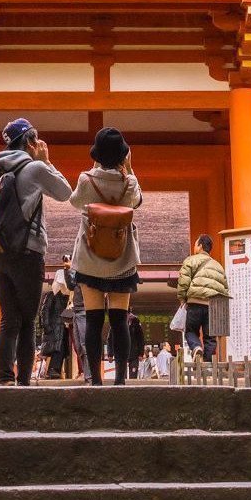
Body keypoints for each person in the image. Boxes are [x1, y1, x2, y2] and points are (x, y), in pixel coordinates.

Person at [0, 118, 72, 384]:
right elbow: (65, 192)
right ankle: (23, 383)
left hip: (0, 253)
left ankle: (4, 378)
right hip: (28, 253)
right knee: (28, 321)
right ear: (31, 142)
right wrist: (46, 161)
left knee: (8, 320)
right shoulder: (33, 169)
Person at [67, 126, 143, 385]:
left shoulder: (86, 179)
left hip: (90, 261)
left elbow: (75, 202)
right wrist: (129, 169)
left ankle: (96, 380)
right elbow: (137, 202)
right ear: (123, 154)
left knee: (93, 319)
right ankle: (121, 379)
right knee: (120, 321)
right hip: (122, 261)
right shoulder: (129, 182)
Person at [173, 234, 229, 361]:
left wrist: (182, 298)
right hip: (213, 306)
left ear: (200, 246)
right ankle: (208, 367)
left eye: (195, 244)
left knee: (190, 331)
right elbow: (225, 288)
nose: (194, 247)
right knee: (210, 337)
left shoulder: (190, 260)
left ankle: (197, 347)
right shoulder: (218, 266)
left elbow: (183, 281)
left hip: (195, 302)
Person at [37, 265, 75, 380]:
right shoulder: (51, 295)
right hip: (54, 329)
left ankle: (55, 370)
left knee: (61, 350)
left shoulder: (68, 298)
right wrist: (47, 327)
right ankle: (53, 370)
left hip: (63, 330)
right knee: (56, 350)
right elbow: (44, 311)